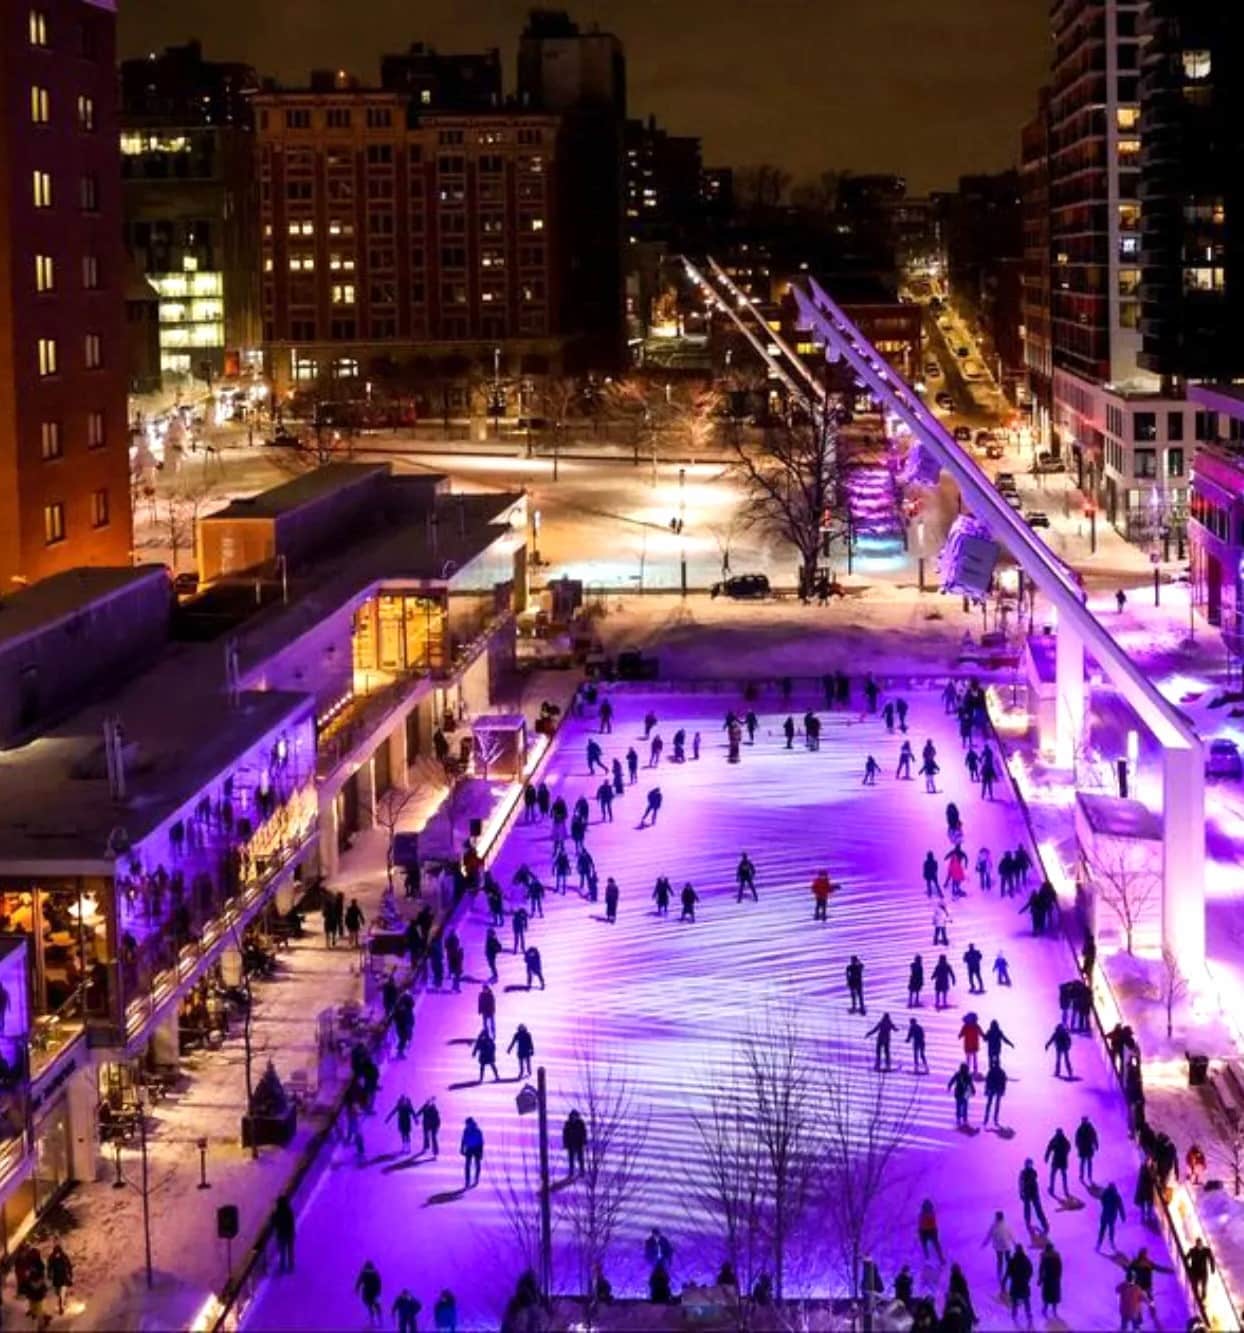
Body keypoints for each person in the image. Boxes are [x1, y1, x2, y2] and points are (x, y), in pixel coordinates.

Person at [1005, 1245, 1034, 1329]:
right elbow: (1030, 1270)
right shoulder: (1026, 1260)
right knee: (1026, 1299)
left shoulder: (1013, 1260)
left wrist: (1013, 1277)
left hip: (1015, 1283)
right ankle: (1028, 1314)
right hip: (1024, 1283)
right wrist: (1027, 1279)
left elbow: (1009, 1271)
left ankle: (1014, 1314)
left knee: (1014, 1299)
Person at [983, 1211, 1015, 1286]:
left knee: (1000, 1261)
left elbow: (989, 1235)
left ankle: (1000, 1274)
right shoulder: (1006, 1225)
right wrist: (1015, 1243)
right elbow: (1011, 1235)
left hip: (999, 1247)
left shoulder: (994, 1226)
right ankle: (1010, 1273)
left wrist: (985, 1243)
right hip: (1006, 1246)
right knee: (1008, 1260)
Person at [1019, 1158, 1049, 1233]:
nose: (1029, 1165)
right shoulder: (1023, 1173)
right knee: (1027, 1210)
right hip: (1027, 1193)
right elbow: (1021, 1183)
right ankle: (1028, 1224)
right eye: (1028, 1164)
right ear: (1025, 1165)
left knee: (1038, 1209)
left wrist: (1037, 1193)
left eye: (1030, 1164)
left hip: (1034, 1193)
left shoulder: (1034, 1172)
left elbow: (1035, 1182)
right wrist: (1021, 1193)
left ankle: (1045, 1225)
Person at [1096, 1181, 1126, 1250]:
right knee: (1111, 1229)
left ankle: (1099, 1244)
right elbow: (1121, 1207)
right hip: (1112, 1216)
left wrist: (1105, 1206)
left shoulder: (1105, 1194)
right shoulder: (1117, 1196)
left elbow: (1102, 1200)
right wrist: (1123, 1217)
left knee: (1102, 1229)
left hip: (1104, 1214)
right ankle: (1111, 1242)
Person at [1045, 1126, 1072, 1197]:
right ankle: (1064, 1190)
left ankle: (1053, 1189)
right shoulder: (1062, 1140)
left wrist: (1046, 1157)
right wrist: (1046, 1157)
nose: (1058, 1134)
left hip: (1058, 1160)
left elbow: (1049, 1149)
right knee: (1061, 1176)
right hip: (1060, 1160)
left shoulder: (1056, 1140)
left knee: (1056, 1175)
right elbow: (1049, 1148)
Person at [1187, 1237, 1215, 1304]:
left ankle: (1202, 1300)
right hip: (1195, 1272)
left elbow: (1211, 1259)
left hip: (1203, 1272)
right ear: (1196, 1244)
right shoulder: (1192, 1251)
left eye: (1200, 1244)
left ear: (1202, 1244)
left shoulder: (1206, 1250)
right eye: (1198, 1244)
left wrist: (1212, 1268)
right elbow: (1186, 1258)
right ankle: (1197, 1300)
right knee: (1195, 1287)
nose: (1199, 1245)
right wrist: (1188, 1269)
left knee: (1204, 1287)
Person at [47, 1242, 73, 1313]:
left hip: (62, 1277)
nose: (57, 1253)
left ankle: (61, 1306)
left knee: (61, 1292)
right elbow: (49, 1266)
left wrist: (70, 1274)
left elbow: (68, 1265)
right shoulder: (53, 1257)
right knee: (59, 1292)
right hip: (58, 1277)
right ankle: (62, 1303)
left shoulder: (63, 1256)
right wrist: (49, 1274)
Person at [356, 1261, 383, 1326]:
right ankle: (377, 1320)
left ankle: (375, 1320)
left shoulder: (364, 1273)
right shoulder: (374, 1273)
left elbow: (359, 1282)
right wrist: (379, 1292)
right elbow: (379, 1283)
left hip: (369, 1292)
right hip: (373, 1292)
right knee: (376, 1306)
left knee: (372, 1306)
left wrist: (356, 1289)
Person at [273, 1196, 296, 1273]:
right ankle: (290, 1266)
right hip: (289, 1234)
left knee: (282, 1251)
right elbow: (291, 1223)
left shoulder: (277, 1213)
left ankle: (282, 1266)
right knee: (290, 1250)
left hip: (281, 1234)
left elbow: (274, 1223)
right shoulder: (288, 1212)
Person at [461, 1117, 485, 1188]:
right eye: (466, 1124)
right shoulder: (466, 1130)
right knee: (467, 1165)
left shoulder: (478, 1131)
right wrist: (462, 1148)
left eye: (468, 1124)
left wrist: (481, 1152)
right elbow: (463, 1140)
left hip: (477, 1149)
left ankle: (476, 1178)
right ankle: (467, 1180)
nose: (467, 1125)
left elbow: (481, 1142)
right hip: (469, 1149)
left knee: (477, 1164)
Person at [948, 1062, 974, 1127]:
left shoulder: (958, 1075)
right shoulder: (967, 1075)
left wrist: (949, 1086)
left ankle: (959, 1119)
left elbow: (952, 1080)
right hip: (964, 1093)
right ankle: (964, 1119)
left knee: (959, 1106)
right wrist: (973, 1090)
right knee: (964, 1106)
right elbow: (971, 1084)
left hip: (959, 1092)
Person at [1076, 1115, 1099, 1184]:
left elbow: (1094, 1136)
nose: (1083, 1121)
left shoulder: (1087, 1128)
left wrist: (1096, 1144)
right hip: (1084, 1148)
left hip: (1087, 1147)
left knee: (1087, 1162)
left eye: (1084, 1120)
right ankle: (1083, 1176)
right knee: (1084, 1162)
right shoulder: (1081, 1128)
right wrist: (1078, 1146)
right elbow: (1077, 1138)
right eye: (1083, 1120)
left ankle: (1087, 1176)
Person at [563, 1108, 587, 1175]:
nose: (574, 1117)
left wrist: (584, 1141)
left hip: (579, 1144)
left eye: (575, 1116)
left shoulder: (581, 1123)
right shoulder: (567, 1123)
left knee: (580, 1159)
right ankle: (571, 1172)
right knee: (571, 1159)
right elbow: (565, 1134)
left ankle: (582, 1171)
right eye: (573, 1116)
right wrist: (565, 1144)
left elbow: (584, 1133)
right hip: (571, 1144)